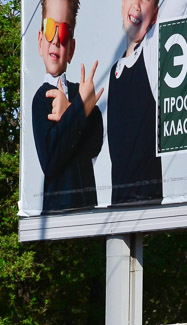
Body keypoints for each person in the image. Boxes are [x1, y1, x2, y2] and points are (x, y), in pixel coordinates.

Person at [32, 0, 104, 212]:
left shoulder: (77, 93)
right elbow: (50, 159)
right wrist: (77, 110)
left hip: (88, 209)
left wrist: (71, 108)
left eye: (63, 33)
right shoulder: (41, 98)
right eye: (49, 29)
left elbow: (95, 144)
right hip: (58, 214)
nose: (55, 40)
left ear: (71, 49)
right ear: (40, 42)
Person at [107, 0, 163, 205]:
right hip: (118, 203)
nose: (137, 6)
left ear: (155, 16)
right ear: (122, 5)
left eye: (146, 0)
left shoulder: (151, 50)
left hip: (147, 200)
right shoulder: (114, 71)